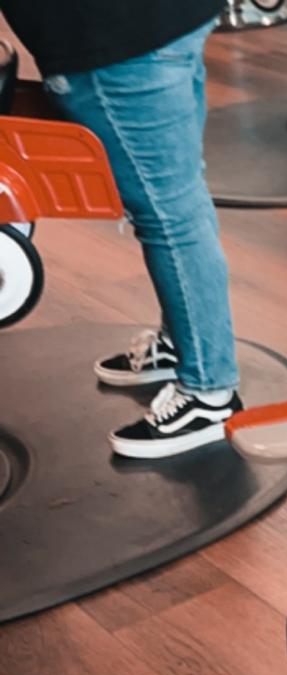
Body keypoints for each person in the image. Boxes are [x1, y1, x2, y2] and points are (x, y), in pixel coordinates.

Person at [0, 0, 243, 459]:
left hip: (114, 40)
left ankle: (209, 394)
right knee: (179, 195)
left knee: (169, 214)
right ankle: (182, 346)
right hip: (167, 20)